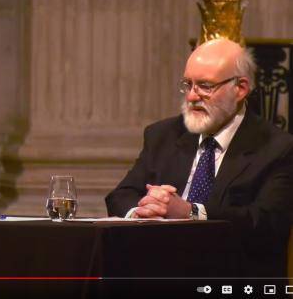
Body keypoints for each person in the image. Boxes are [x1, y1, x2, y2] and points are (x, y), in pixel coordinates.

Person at [105, 38, 293, 277]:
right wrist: (144, 211)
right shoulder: (162, 135)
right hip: (159, 273)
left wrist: (190, 212)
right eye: (188, 85)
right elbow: (121, 195)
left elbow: (267, 223)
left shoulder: (278, 147)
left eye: (205, 86)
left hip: (232, 276)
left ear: (241, 88)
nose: (192, 97)